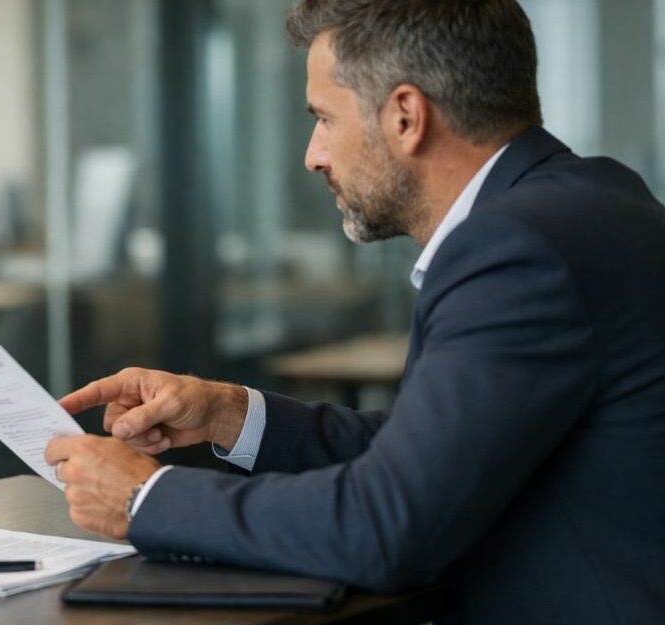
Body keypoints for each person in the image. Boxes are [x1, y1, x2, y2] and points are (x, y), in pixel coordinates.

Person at [45, 1, 665, 622]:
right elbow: (434, 456)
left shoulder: (513, 250)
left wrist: (144, 496)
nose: (313, 155)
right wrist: (228, 414)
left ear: (405, 116)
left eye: (324, 118)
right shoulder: (594, 199)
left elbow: (388, 524)